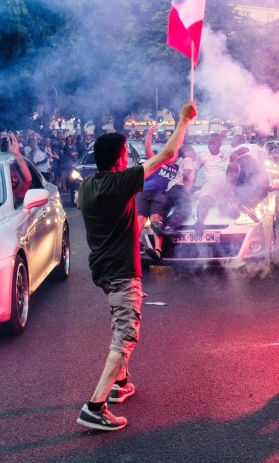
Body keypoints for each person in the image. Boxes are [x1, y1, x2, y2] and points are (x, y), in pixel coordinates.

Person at [76, 100, 196, 432]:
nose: (130, 158)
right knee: (125, 335)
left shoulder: (88, 187)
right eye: (126, 155)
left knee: (121, 322)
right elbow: (167, 155)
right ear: (119, 161)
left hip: (104, 271)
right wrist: (183, 120)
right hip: (120, 272)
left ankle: (120, 383)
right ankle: (94, 407)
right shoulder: (119, 184)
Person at [136, 126, 179, 263]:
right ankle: (132, 248)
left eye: (175, 153)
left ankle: (157, 250)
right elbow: (148, 149)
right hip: (144, 191)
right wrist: (149, 133)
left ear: (177, 159)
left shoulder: (178, 170)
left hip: (161, 194)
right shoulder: (158, 162)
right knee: (141, 218)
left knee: (156, 219)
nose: (172, 154)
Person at [165, 143, 197, 230]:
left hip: (175, 189)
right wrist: (188, 193)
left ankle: (162, 223)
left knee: (181, 207)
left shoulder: (187, 162)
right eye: (193, 151)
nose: (195, 154)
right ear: (187, 153)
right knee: (186, 208)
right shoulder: (188, 159)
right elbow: (186, 177)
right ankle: (169, 226)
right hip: (178, 187)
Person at [7, 134, 32, 205]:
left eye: (15, 177)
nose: (14, 180)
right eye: (11, 178)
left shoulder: (14, 196)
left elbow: (27, 180)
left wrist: (17, 154)